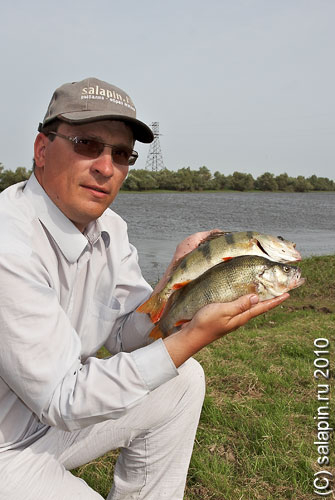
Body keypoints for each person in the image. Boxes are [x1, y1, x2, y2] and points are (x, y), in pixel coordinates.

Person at [0, 77, 288, 500]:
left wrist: (174, 283)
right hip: (11, 446)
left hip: (48, 425)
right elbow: (63, 397)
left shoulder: (111, 229)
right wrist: (192, 336)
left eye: (121, 154)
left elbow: (125, 335)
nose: (105, 167)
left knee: (181, 381)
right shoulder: (9, 243)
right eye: (86, 144)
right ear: (42, 149)